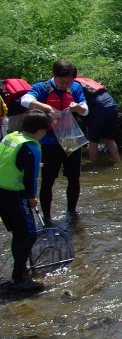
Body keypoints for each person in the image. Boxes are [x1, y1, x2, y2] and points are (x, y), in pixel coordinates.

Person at [20, 60, 88, 223]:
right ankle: (47, 217)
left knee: (74, 178)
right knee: (48, 180)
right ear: (53, 75)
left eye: (68, 81)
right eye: (61, 81)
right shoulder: (42, 88)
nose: (65, 84)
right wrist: (46, 107)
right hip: (50, 141)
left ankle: (72, 213)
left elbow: (85, 110)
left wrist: (76, 107)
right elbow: (25, 100)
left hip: (71, 139)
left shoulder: (76, 87)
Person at [0, 111, 51, 291]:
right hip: (16, 194)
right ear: (41, 131)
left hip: (1, 192)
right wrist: (32, 197)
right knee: (29, 234)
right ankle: (19, 278)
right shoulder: (32, 148)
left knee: (18, 232)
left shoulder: (11, 137)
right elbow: (31, 176)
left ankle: (20, 270)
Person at [78, 77, 120, 165]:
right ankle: (118, 162)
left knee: (93, 139)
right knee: (108, 138)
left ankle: (93, 164)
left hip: (100, 106)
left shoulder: (73, 86)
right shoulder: (83, 80)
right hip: (112, 103)